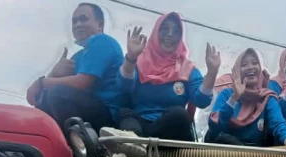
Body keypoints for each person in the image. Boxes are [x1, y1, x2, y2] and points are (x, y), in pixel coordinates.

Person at [104, 12, 219, 144]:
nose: (170, 34)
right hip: (139, 124)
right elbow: (122, 87)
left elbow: (202, 101)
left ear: (180, 37)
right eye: (165, 28)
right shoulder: (138, 61)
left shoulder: (188, 69)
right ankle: (135, 143)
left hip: (171, 132)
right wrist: (131, 58)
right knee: (124, 113)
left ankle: (137, 143)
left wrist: (212, 73)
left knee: (179, 114)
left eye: (176, 31)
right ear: (156, 32)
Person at [26, 3, 126, 134]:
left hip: (108, 118)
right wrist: (53, 73)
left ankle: (82, 142)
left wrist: (41, 82)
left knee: (58, 93)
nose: (78, 24)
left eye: (83, 19)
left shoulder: (102, 41)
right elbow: (36, 97)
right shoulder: (78, 56)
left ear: (100, 24)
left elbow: (83, 82)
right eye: (74, 21)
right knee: (45, 100)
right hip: (86, 111)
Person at [205, 48, 286, 149]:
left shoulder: (267, 96)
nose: (251, 67)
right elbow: (215, 126)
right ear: (237, 70)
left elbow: (278, 121)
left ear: (260, 69)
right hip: (227, 151)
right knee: (222, 138)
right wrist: (235, 97)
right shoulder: (227, 94)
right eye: (244, 64)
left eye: (255, 63)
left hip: (255, 155)